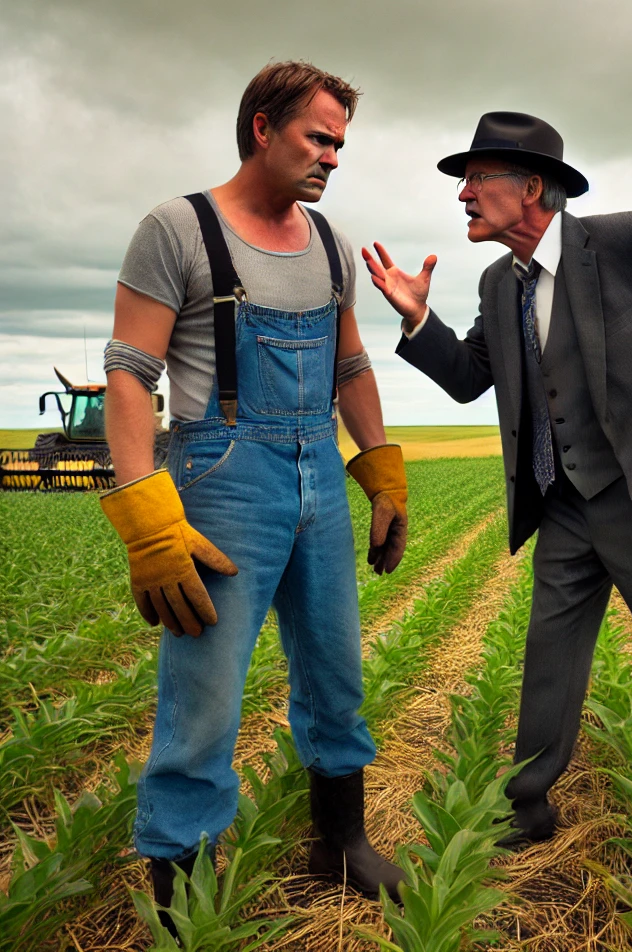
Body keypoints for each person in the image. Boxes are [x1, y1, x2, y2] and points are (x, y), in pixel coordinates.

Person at [363, 111, 632, 895]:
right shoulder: (497, 282)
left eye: (477, 178)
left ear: (530, 189)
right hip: (562, 506)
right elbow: (467, 377)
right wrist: (416, 316)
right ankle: (526, 809)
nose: (462, 193)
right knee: (548, 661)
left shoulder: (626, 241)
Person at [101, 61, 408, 930]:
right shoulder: (178, 229)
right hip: (223, 479)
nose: (333, 158)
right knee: (205, 693)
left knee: (336, 670)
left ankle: (338, 842)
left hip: (318, 467)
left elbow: (350, 366)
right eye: (319, 137)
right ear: (262, 128)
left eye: (341, 143)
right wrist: (145, 512)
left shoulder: (329, 243)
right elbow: (129, 375)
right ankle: (180, 892)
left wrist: (380, 468)